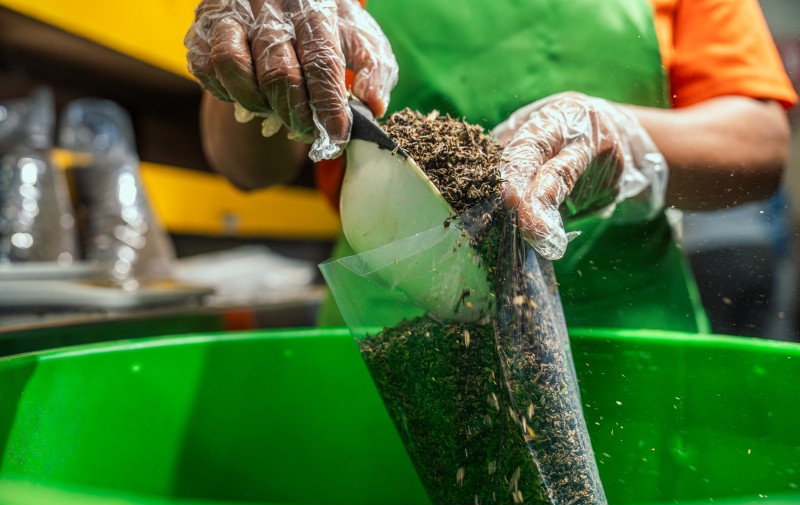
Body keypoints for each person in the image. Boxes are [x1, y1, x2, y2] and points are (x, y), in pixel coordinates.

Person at [184, 0, 797, 332]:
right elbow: (248, 167)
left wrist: (624, 139)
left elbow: (762, 142)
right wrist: (253, 54)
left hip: (622, 330)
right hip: (394, 333)